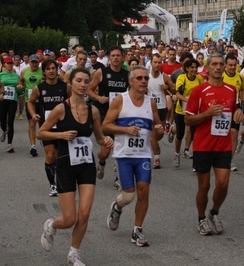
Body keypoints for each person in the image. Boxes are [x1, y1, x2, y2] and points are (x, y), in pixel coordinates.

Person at [38, 68, 113, 265]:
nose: (82, 84)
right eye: (78, 80)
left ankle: (74, 253)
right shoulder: (61, 109)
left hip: (86, 164)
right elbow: (41, 133)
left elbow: (98, 138)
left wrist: (106, 140)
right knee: (69, 219)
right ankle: (51, 224)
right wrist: (60, 135)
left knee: (85, 213)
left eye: (86, 81)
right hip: (65, 166)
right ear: (70, 83)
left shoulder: (93, 111)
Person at [102, 65, 164, 246]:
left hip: (143, 155)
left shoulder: (150, 103)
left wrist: (159, 130)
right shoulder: (121, 100)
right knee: (128, 196)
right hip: (124, 155)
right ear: (131, 81)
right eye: (139, 78)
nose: (144, 81)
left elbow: (157, 132)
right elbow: (106, 125)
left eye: (146, 78)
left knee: (144, 191)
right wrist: (125, 129)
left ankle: (137, 230)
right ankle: (117, 206)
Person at [185, 53, 243, 235]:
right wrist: (207, 114)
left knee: (223, 184)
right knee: (204, 187)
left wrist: (239, 112)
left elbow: (234, 110)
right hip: (203, 145)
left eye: (221, 64)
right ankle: (201, 218)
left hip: (223, 145)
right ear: (208, 68)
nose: (218, 67)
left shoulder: (231, 90)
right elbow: (188, 119)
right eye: (215, 64)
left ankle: (214, 212)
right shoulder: (198, 91)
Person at [87, 46, 129, 189]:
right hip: (105, 115)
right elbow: (89, 90)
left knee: (121, 148)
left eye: (118, 55)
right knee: (105, 151)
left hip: (122, 115)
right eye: (113, 56)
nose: (116, 58)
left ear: (123, 57)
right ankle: (101, 163)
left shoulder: (127, 74)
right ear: (109, 58)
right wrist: (99, 98)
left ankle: (118, 179)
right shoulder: (101, 72)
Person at [28, 59, 71, 197]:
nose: (52, 71)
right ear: (44, 72)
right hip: (46, 127)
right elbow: (30, 102)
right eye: (48, 69)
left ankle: (60, 179)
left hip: (62, 126)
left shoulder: (65, 87)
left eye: (54, 68)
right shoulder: (39, 88)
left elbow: (74, 102)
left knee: (60, 157)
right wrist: (33, 114)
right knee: (50, 154)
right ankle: (52, 185)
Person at [173, 59, 204, 168]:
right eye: (192, 67)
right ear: (187, 68)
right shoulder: (182, 78)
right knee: (180, 135)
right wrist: (188, 101)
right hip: (181, 110)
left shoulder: (200, 79)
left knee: (195, 135)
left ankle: (196, 162)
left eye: (196, 67)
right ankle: (177, 154)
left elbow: (203, 93)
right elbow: (177, 94)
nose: (194, 70)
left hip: (194, 112)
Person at [147, 54, 175, 169]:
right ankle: (156, 159)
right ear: (151, 63)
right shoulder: (146, 77)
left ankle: (156, 144)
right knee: (153, 134)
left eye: (159, 62)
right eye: (155, 62)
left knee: (159, 135)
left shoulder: (164, 77)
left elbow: (174, 88)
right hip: (150, 109)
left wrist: (167, 88)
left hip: (162, 108)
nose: (157, 65)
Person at [222, 54, 244, 171]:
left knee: (234, 134)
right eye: (230, 65)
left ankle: (229, 161)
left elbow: (242, 89)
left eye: (234, 65)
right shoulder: (220, 76)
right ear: (225, 65)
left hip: (235, 109)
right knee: (220, 135)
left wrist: (241, 104)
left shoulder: (240, 77)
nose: (232, 67)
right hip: (221, 110)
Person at [18, 54, 43, 157]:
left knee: (42, 124)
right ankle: (33, 146)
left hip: (42, 101)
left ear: (38, 62)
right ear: (29, 62)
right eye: (32, 62)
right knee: (32, 124)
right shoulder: (24, 71)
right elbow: (21, 80)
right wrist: (20, 85)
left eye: (36, 62)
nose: (34, 64)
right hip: (30, 102)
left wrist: (44, 82)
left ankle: (43, 138)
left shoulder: (43, 71)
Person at [0, 57, 20, 153]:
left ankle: (9, 144)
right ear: (4, 64)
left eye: (11, 63)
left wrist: (20, 87)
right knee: (3, 121)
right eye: (8, 63)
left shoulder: (16, 76)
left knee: (10, 122)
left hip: (12, 100)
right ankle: (4, 130)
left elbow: (20, 87)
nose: (10, 65)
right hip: (2, 100)